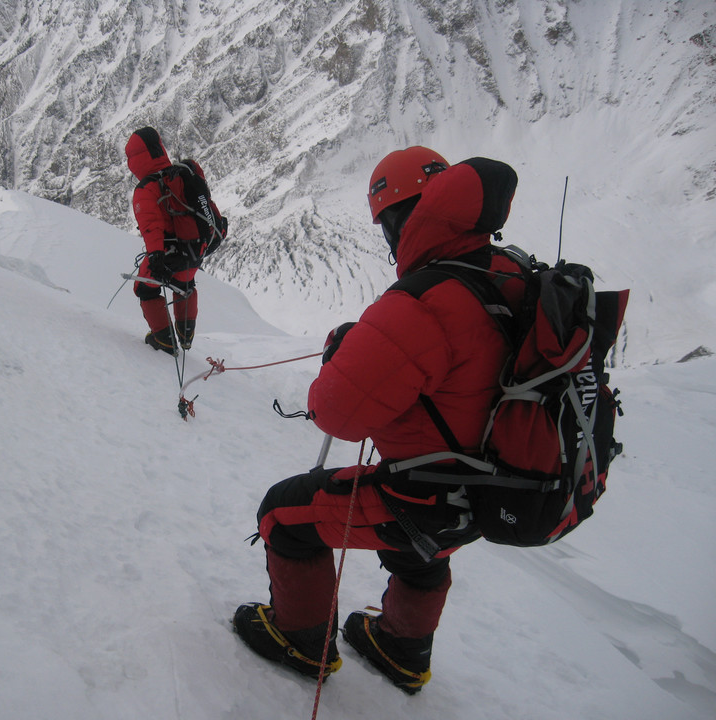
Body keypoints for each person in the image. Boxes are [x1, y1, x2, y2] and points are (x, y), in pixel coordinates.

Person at [232, 147, 523, 694]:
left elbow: (336, 411)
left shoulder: (426, 297)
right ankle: (401, 650)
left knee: (285, 513)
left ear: (400, 218)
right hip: (495, 492)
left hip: (425, 497)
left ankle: (301, 641)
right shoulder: (513, 275)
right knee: (421, 549)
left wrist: (347, 356)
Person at [124, 127, 226, 354]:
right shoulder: (182, 174)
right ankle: (186, 336)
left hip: (169, 254)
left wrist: (156, 256)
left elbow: (152, 227)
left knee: (145, 288)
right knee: (185, 286)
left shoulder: (147, 188)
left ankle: (164, 340)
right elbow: (206, 206)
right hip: (197, 249)